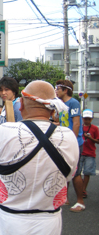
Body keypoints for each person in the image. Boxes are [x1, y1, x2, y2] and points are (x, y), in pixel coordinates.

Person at [0, 80, 79, 235]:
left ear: (22, 106)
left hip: (8, 220)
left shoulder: (5, 131)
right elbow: (68, 175)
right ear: (53, 111)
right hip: (49, 223)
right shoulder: (69, 137)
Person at [55, 80, 85, 212]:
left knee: (75, 172)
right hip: (64, 141)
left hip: (73, 142)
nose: (56, 91)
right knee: (64, 169)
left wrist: (73, 140)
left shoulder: (73, 103)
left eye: (58, 88)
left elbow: (76, 123)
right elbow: (59, 121)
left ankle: (80, 201)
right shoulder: (61, 104)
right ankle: (64, 198)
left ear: (65, 90)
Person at [79, 109, 99, 199]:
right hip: (80, 152)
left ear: (91, 119)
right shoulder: (79, 127)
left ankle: (83, 189)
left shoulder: (95, 128)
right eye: (85, 118)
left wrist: (91, 138)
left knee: (87, 172)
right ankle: (79, 188)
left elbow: (98, 141)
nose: (86, 120)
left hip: (90, 153)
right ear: (82, 118)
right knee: (77, 172)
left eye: (88, 119)